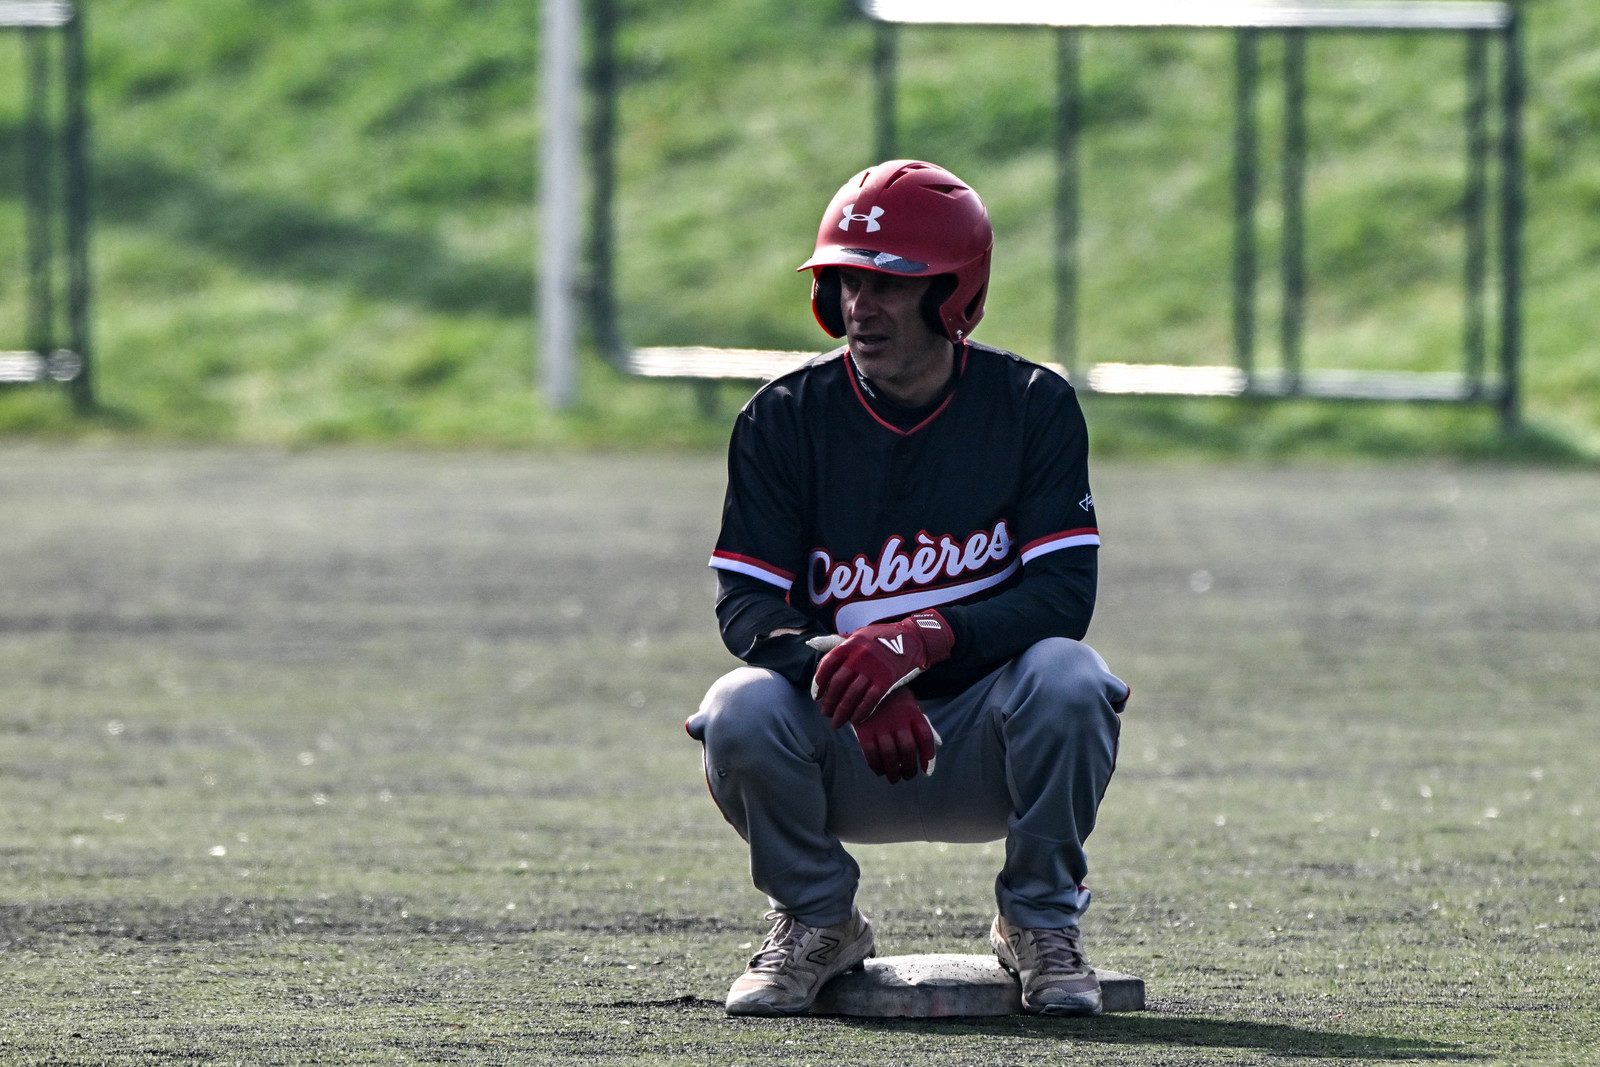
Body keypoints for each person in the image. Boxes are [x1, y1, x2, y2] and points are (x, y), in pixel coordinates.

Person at [684, 159, 1129, 1017]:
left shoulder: (1032, 405)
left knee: (1073, 677)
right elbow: (746, 608)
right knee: (736, 705)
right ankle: (818, 918)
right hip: (844, 743)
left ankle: (1037, 919)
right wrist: (847, 673)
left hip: (984, 736)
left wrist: (921, 638)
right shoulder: (782, 417)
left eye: (890, 282)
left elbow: (1063, 594)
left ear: (953, 294)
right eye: (846, 279)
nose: (861, 304)